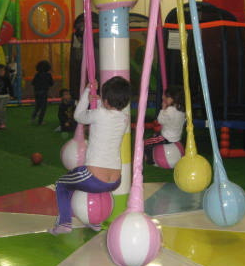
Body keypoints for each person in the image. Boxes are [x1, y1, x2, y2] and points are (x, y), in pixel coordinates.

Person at [49, 76, 130, 234]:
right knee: (85, 185)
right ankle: (95, 221)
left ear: (106, 100)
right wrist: (100, 102)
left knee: (62, 184)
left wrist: (87, 93)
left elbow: (78, 116)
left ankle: (64, 224)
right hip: (115, 181)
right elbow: (108, 115)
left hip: (93, 178)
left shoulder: (99, 114)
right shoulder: (124, 119)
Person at [144, 85, 186, 164]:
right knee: (155, 136)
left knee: (146, 142)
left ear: (172, 99)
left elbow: (160, 120)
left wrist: (163, 108)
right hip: (177, 137)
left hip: (166, 138)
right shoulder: (182, 110)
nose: (164, 98)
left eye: (166, 97)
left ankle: (150, 160)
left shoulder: (170, 110)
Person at [31, 60, 54, 125]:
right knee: (43, 107)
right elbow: (51, 83)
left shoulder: (37, 74)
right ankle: (40, 121)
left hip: (36, 92)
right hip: (44, 92)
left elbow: (33, 83)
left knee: (37, 106)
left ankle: (33, 117)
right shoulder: (48, 75)